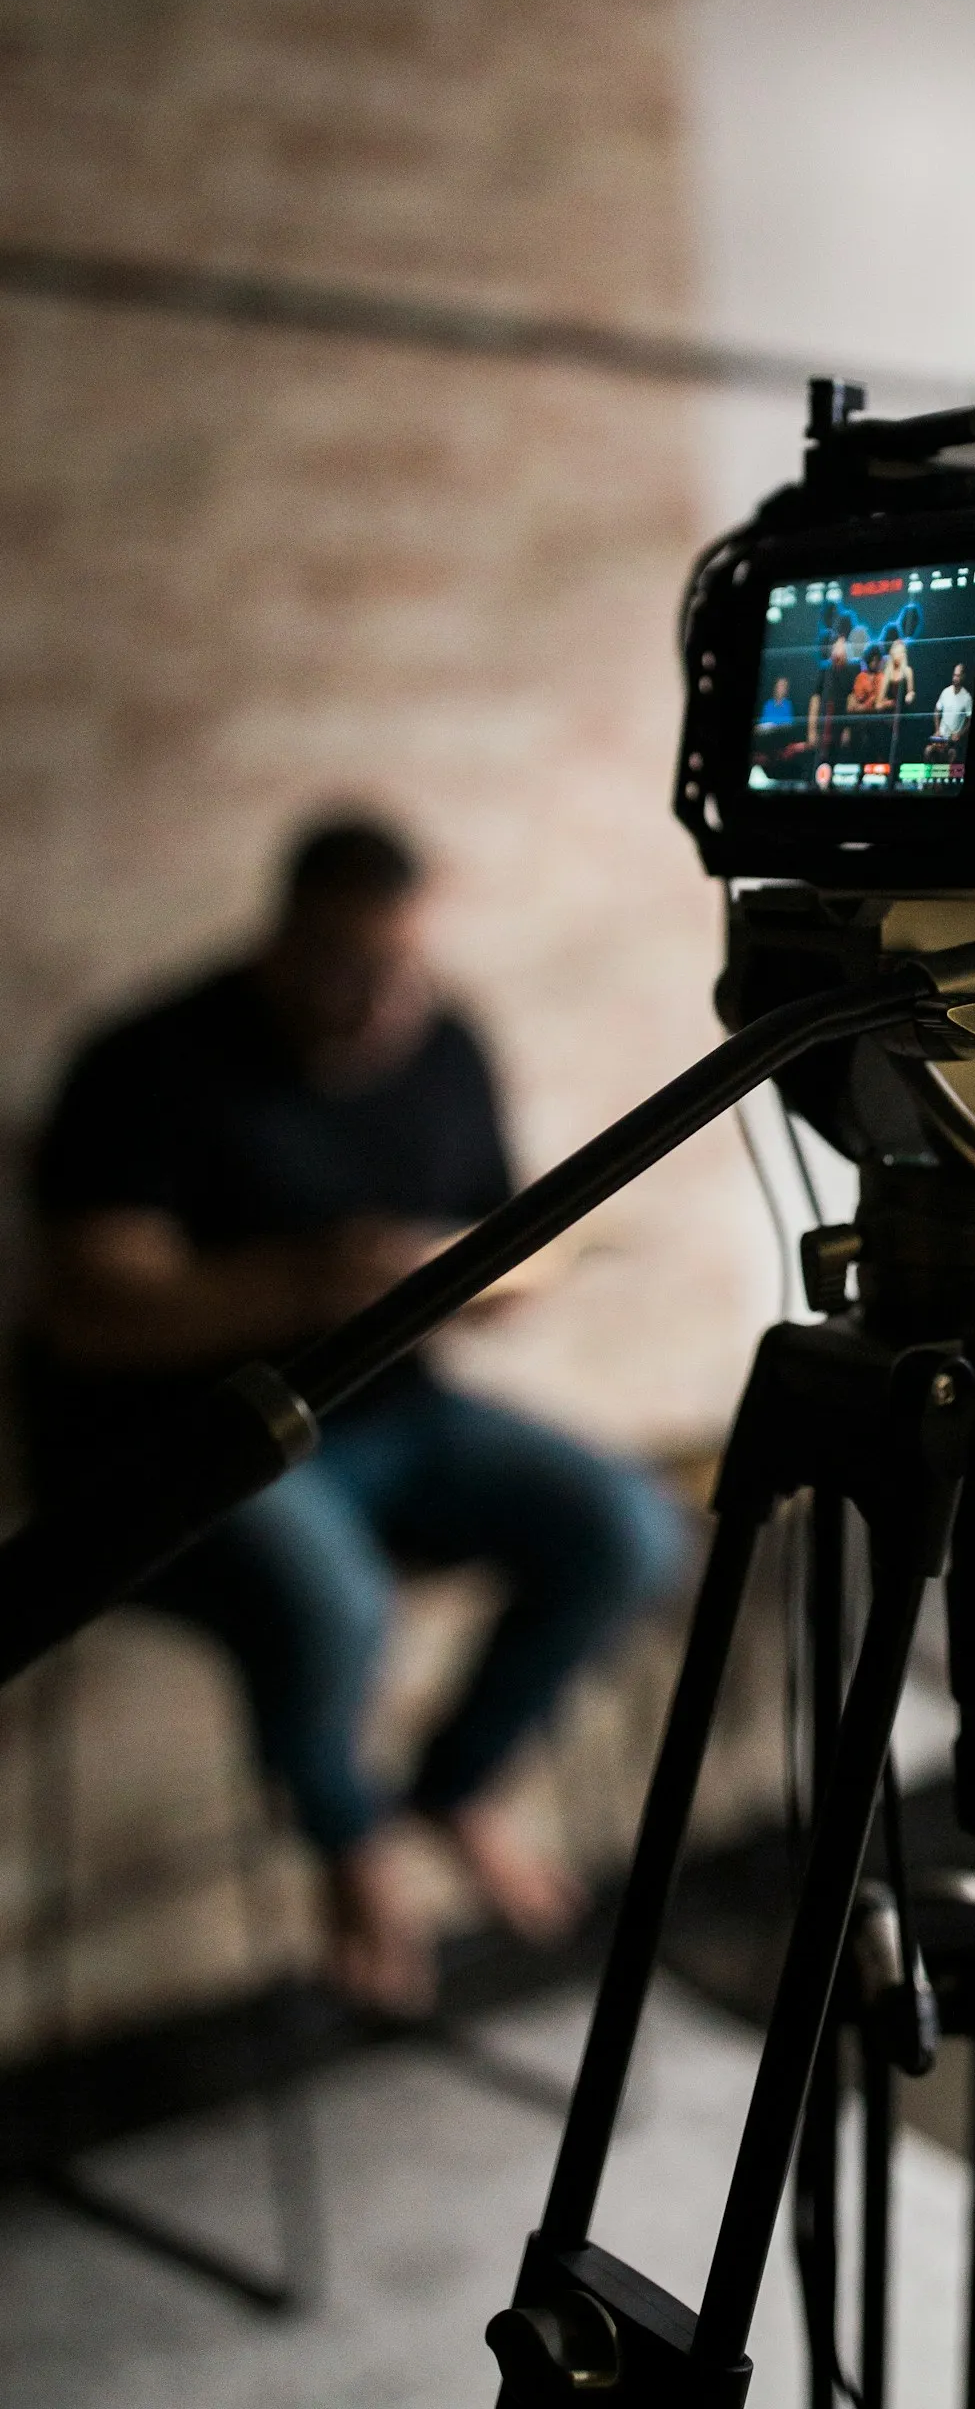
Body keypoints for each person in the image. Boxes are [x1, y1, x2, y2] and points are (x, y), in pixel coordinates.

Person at [17, 816, 689, 2015]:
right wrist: (316, 1279)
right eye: (351, 969)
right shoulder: (144, 1063)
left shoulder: (446, 1042)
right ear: (282, 939)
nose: (385, 1004)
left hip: (403, 1415)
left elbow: (485, 1239)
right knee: (335, 1602)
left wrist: (484, 1291)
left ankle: (458, 1785)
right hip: (194, 1441)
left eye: (405, 970)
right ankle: (352, 1841)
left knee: (630, 1528)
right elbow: (94, 1316)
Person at [928, 663, 973, 758]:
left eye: (958, 676)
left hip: (953, 739)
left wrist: (959, 734)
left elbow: (970, 720)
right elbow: (937, 710)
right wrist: (937, 730)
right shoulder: (946, 692)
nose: (955, 678)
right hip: (941, 736)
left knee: (952, 754)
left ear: (963, 677)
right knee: (928, 751)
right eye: (954, 675)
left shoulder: (967, 698)